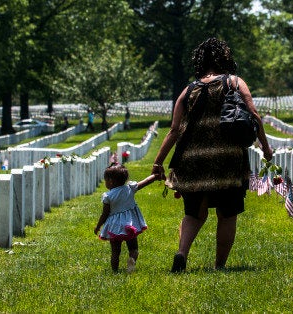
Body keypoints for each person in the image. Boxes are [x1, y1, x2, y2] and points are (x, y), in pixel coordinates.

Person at [150, 37, 273, 272]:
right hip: (228, 158)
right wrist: (266, 148)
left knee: (194, 213)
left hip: (192, 161)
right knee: (227, 213)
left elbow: (174, 130)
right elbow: (254, 115)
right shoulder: (235, 83)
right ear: (225, 58)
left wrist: (158, 162)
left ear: (199, 62)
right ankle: (219, 265)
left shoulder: (188, 90)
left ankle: (181, 253)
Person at [94, 164, 156, 272]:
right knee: (133, 248)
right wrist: (155, 176)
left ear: (111, 181)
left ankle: (115, 271)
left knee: (115, 251)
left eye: (106, 180)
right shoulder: (130, 189)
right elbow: (145, 182)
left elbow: (105, 214)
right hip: (129, 225)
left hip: (115, 226)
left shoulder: (108, 196)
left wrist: (98, 226)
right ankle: (132, 259)